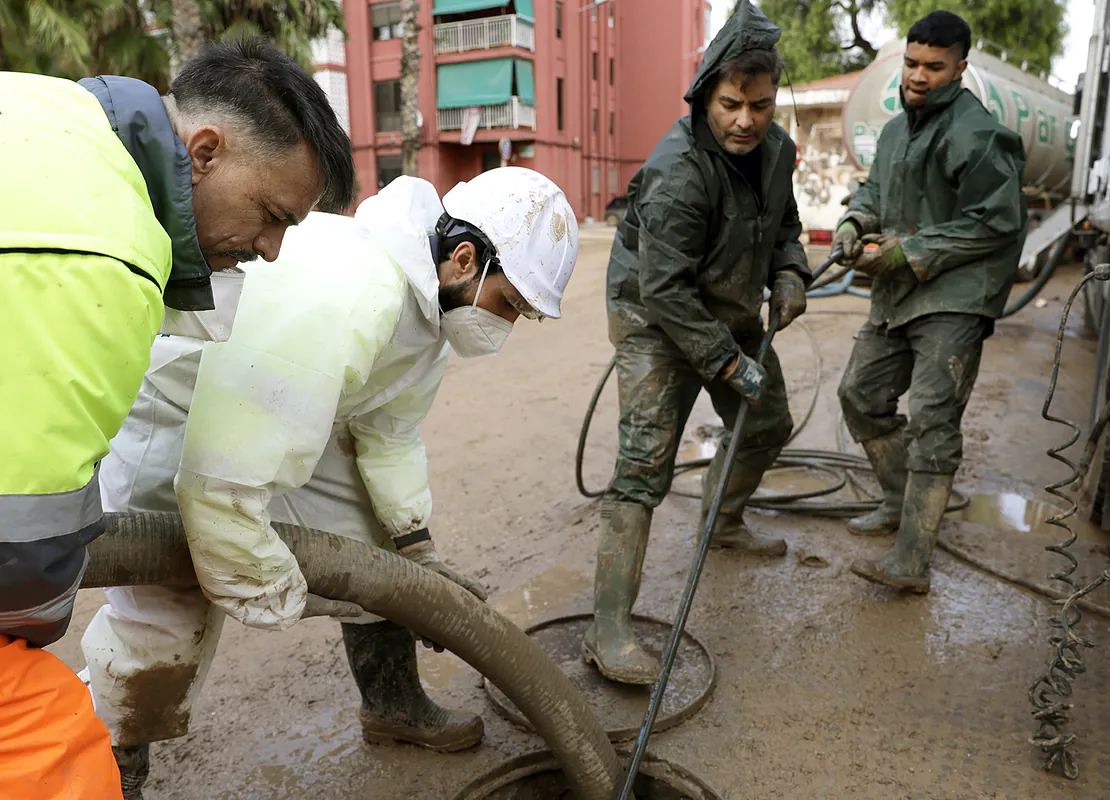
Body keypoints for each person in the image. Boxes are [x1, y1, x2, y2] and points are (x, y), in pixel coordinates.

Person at [79, 167, 578, 797]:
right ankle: (111, 767)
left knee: (378, 551)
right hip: (185, 423)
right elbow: (228, 471)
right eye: (508, 304)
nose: (504, 327)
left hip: (279, 415)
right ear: (463, 259)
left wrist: (416, 551)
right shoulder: (353, 286)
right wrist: (262, 580)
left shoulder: (429, 316)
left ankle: (392, 706)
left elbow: (388, 433)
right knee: (167, 614)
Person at [0, 38, 353, 799]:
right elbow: (18, 542)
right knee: (56, 753)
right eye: (270, 215)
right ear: (204, 151)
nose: (269, 250)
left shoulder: (49, 108)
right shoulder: (116, 254)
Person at [583, 0, 812, 686]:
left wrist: (791, 271)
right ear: (706, 95)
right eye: (732, 103)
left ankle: (723, 517)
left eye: (761, 105)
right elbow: (665, 293)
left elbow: (787, 225)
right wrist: (724, 362)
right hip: (658, 317)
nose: (746, 120)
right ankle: (610, 630)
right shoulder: (678, 171)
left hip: (728, 298)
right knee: (643, 469)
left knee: (768, 422)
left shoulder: (777, 153)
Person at [833, 11, 1027, 593]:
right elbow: (874, 190)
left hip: (957, 295)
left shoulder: (978, 133)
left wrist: (908, 250)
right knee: (860, 394)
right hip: (900, 293)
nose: (918, 76)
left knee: (934, 421)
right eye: (912, 63)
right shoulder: (896, 130)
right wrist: (852, 221)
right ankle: (898, 502)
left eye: (934, 67)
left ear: (960, 67)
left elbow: (998, 221)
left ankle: (911, 561)